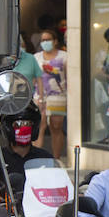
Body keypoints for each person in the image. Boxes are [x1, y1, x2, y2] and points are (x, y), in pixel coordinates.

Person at [0, 103, 53, 200]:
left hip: (39, 208)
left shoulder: (45, 157)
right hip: (6, 210)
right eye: (18, 124)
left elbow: (57, 183)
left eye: (27, 124)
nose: (23, 128)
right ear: (8, 128)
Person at [35, 29, 67, 160]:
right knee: (39, 126)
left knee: (56, 127)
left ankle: (56, 158)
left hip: (59, 96)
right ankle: (35, 159)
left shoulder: (64, 56)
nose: (45, 42)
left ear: (55, 41)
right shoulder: (36, 57)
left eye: (48, 39)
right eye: (43, 40)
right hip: (39, 95)